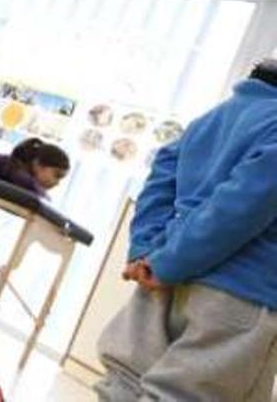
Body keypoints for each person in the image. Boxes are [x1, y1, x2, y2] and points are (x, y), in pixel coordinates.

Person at [95, 59, 277, 402]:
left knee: (125, 384)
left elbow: (159, 183)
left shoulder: (210, 120)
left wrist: (146, 252)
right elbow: (240, 207)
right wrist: (168, 263)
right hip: (238, 295)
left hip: (161, 278)